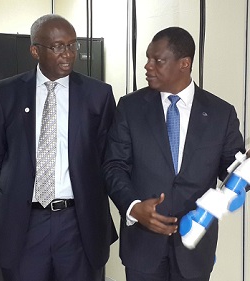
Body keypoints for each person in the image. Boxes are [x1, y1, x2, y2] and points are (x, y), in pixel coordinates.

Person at [103, 26, 245, 281]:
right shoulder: (130, 107)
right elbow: (114, 166)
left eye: (157, 60)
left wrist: (245, 169)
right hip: (142, 248)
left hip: (194, 246)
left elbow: (233, 176)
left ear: (184, 64)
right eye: (147, 58)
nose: (148, 66)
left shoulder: (221, 113)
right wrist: (134, 208)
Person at [0, 14, 117, 281]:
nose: (68, 54)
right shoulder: (7, 92)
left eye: (72, 45)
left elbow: (107, 157)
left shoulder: (98, 94)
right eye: (58, 46)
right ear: (35, 50)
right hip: (25, 223)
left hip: (78, 223)